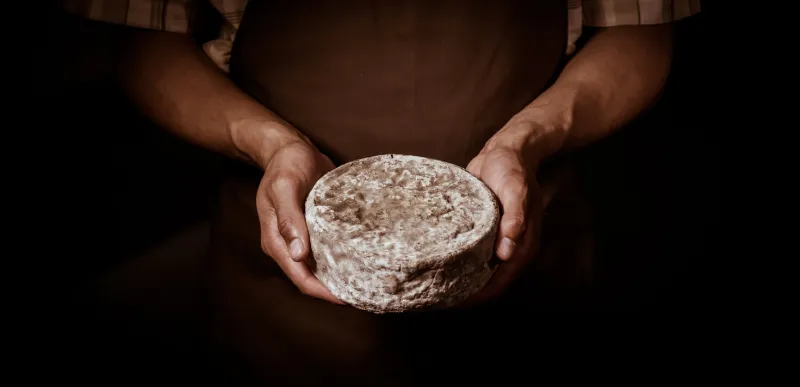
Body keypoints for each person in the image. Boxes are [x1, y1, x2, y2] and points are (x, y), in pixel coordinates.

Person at [65, 0, 700, 384]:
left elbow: (640, 27)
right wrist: (271, 146)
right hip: (285, 302)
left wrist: (526, 141)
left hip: (528, 270)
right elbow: (146, 40)